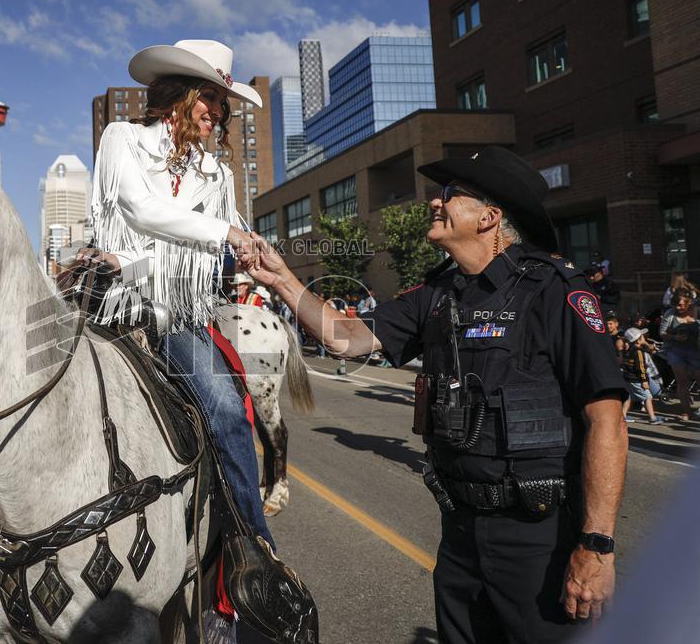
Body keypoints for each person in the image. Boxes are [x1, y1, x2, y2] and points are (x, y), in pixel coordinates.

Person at [241, 146, 628, 642]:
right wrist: (283, 280)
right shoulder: (439, 294)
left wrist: (596, 548)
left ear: (490, 217)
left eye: (450, 195)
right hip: (460, 533)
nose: (434, 203)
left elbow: (608, 422)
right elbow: (345, 337)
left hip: (538, 538)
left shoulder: (554, 291)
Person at [86, 39, 273, 546]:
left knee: (229, 411)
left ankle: (252, 547)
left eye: (222, 102)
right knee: (20, 365)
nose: (218, 110)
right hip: (113, 300)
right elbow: (141, 209)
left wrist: (248, 248)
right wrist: (224, 235)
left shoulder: (218, 177)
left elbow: (214, 256)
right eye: (208, 97)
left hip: (173, 314)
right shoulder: (122, 137)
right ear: (178, 95)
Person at [659, 288, 700, 421]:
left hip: (696, 351)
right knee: (682, 382)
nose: (678, 307)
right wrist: (675, 337)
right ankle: (687, 412)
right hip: (676, 351)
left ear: (689, 302)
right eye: (676, 304)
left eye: (681, 304)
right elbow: (662, 332)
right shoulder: (670, 313)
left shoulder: (697, 312)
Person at [621, 327, 667, 425]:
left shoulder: (627, 350)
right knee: (647, 397)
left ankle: (623, 415)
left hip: (628, 378)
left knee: (628, 397)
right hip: (637, 379)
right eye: (642, 336)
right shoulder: (639, 352)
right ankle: (652, 418)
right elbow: (641, 368)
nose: (644, 337)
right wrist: (644, 381)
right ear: (639, 339)